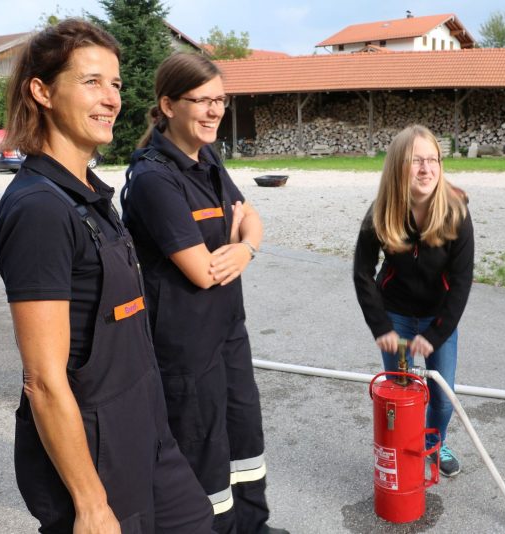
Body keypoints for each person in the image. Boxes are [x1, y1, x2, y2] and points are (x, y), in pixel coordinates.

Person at [0, 20, 214, 533]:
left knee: (196, 520)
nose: (111, 98)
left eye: (114, 84)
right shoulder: (39, 210)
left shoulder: (89, 193)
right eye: (91, 82)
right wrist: (91, 505)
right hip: (96, 454)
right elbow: (43, 382)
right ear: (42, 91)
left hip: (145, 430)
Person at [121, 53, 285, 534]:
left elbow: (252, 217)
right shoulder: (154, 178)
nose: (215, 111)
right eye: (202, 100)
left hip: (228, 331)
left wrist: (245, 246)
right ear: (168, 105)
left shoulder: (208, 158)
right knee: (203, 451)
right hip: (185, 348)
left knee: (243, 437)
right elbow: (201, 271)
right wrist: (235, 247)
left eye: (220, 99)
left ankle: (252, 527)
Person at [353, 124, 474, 477]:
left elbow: (462, 281)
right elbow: (363, 272)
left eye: (432, 159)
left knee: (442, 396)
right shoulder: (381, 211)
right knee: (400, 392)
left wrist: (436, 334)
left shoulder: (456, 211)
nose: (426, 169)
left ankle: (434, 443)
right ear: (397, 167)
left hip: (439, 319)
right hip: (396, 316)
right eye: (415, 160)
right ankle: (404, 447)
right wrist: (382, 326)